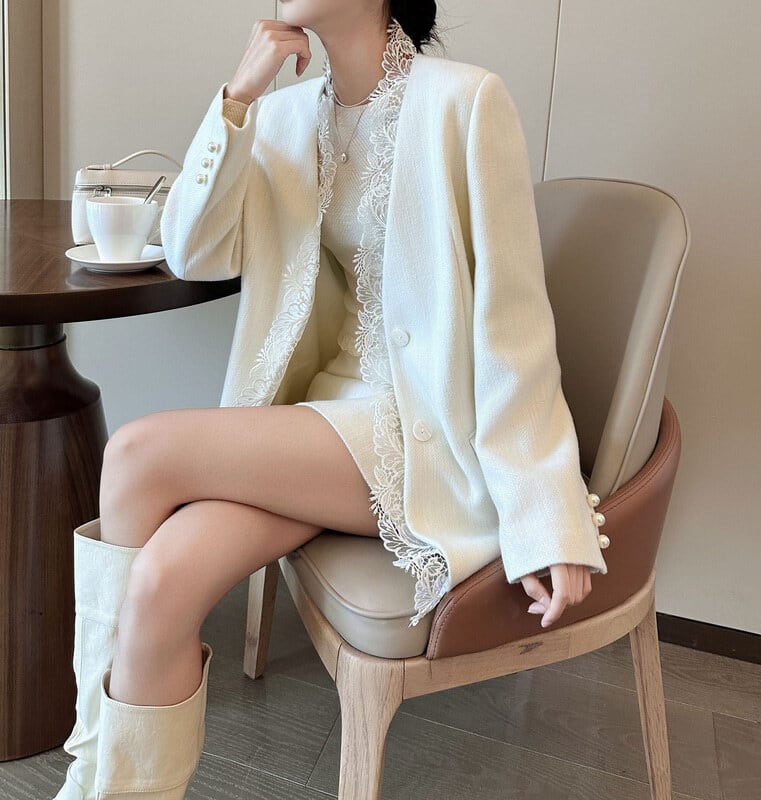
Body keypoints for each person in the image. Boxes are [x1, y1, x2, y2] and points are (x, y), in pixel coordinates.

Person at [54, 3, 610, 798]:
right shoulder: (283, 117)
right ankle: (101, 782)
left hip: (418, 432)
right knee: (162, 580)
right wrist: (237, 99)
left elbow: (512, 324)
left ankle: (86, 762)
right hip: (322, 423)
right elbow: (193, 252)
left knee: (138, 452)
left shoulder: (465, 101)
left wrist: (546, 513)